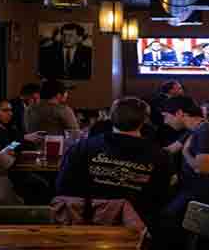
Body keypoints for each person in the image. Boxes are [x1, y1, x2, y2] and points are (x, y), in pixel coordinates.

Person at [55, 97, 172, 227]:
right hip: (136, 229)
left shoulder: (81, 147)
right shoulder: (160, 156)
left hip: (84, 225)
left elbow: (62, 188)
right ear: (145, 120)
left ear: (110, 117)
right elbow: (160, 199)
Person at [161, 96, 209, 215]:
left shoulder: (207, 131)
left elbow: (202, 169)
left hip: (205, 193)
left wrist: (185, 152)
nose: (165, 121)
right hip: (192, 186)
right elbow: (169, 150)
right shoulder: (194, 129)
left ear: (179, 113)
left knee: (165, 216)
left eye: (166, 116)